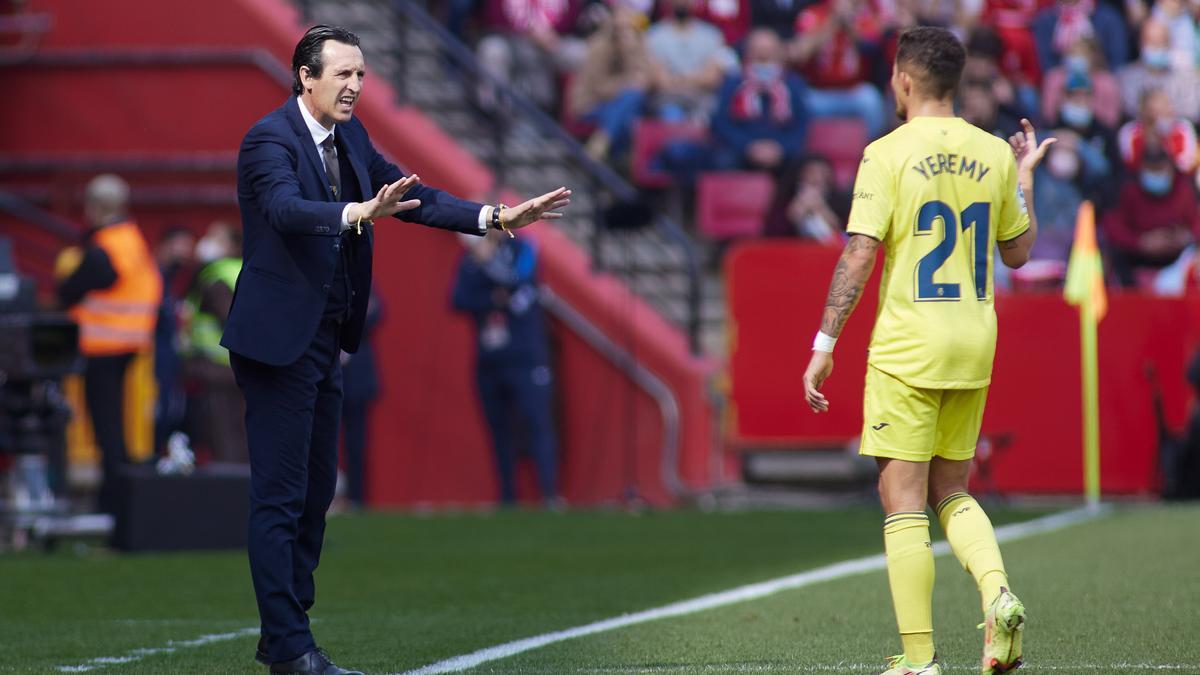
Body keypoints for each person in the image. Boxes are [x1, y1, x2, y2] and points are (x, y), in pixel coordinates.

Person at [225, 25, 570, 675]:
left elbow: (412, 197)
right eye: (343, 74)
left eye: (362, 74)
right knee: (280, 495)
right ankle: (293, 646)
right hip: (276, 344)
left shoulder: (352, 136)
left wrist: (496, 217)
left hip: (325, 339)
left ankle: (283, 634)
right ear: (305, 76)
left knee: (314, 493)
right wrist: (356, 213)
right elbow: (284, 209)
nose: (356, 85)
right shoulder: (268, 138)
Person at [802, 27, 1054, 674]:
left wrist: (824, 342)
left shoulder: (886, 153)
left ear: (905, 80)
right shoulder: (994, 152)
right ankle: (998, 593)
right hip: (973, 343)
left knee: (903, 500)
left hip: (908, 345)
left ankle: (919, 660)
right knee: (953, 488)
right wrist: (1023, 177)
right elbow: (1019, 253)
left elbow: (859, 252)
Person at [56, 174, 163, 515]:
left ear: (95, 207)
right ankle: (118, 500)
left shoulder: (105, 247)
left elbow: (69, 289)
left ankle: (114, 503)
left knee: (107, 430)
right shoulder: (131, 239)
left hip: (102, 349)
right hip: (131, 346)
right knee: (118, 428)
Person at [451, 230, 559, 506]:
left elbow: (518, 284)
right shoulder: (471, 260)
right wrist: (491, 298)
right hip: (490, 358)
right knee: (498, 428)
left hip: (525, 356)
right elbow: (458, 299)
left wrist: (487, 264)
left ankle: (548, 493)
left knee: (537, 422)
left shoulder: (523, 248)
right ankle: (508, 496)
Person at [182, 221, 248, 463]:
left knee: (225, 435)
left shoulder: (216, 276)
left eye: (216, 238)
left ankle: (232, 492)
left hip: (219, 368)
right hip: (243, 367)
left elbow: (231, 321)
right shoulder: (243, 270)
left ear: (231, 246)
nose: (206, 243)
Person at [710, 28, 810, 172]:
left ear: (779, 53)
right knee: (722, 160)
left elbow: (802, 124)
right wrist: (748, 147)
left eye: (769, 50)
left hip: (782, 151)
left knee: (804, 165)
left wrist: (780, 148)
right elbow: (720, 122)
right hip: (741, 149)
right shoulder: (733, 82)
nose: (763, 56)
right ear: (747, 52)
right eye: (758, 50)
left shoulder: (792, 83)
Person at [1102, 140, 1199, 287]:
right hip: (1137, 253)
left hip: (1176, 256)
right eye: (1152, 169)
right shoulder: (1128, 189)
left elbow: (1196, 222)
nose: (1157, 175)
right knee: (1111, 256)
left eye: (1160, 169)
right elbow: (1112, 226)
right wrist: (1141, 242)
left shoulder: (1184, 189)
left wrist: (1186, 236)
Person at [790, 0, 888, 139]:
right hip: (818, 92)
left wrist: (848, 24)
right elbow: (801, 54)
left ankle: (871, 150)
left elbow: (870, 48)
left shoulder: (864, 15)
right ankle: (808, 157)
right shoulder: (813, 14)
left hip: (853, 91)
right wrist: (833, 22)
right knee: (801, 102)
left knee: (871, 100)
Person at [568, 3, 654, 162]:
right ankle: (612, 153)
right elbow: (599, 87)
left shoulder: (638, 44)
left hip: (621, 104)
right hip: (592, 104)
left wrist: (629, 52)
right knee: (631, 102)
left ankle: (603, 142)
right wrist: (626, 84)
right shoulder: (599, 46)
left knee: (633, 104)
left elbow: (646, 78)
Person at [646, 0, 735, 122]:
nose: (682, 2)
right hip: (668, 99)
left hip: (703, 99)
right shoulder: (654, 35)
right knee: (671, 116)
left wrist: (677, 79)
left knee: (712, 117)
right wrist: (695, 79)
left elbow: (712, 78)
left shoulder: (711, 35)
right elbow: (660, 81)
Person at [153, 225, 195, 456]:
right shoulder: (152, 276)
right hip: (155, 359)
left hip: (169, 358)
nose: (187, 252)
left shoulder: (171, 279)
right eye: (182, 245)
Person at [339, 287, 382, 509]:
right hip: (325, 375)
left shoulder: (362, 279)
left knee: (357, 445)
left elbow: (375, 313)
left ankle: (357, 498)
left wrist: (343, 318)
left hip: (357, 378)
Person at [1117, 18, 1200, 121]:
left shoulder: (1186, 78)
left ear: (1170, 44)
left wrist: (1167, 115)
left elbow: (1192, 112)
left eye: (1161, 42)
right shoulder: (1126, 78)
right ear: (1141, 44)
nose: (1156, 48)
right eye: (1152, 43)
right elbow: (1129, 111)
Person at [763, 153, 849, 241]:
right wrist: (796, 210)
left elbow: (844, 233)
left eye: (822, 173)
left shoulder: (839, 201)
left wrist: (820, 208)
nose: (817, 178)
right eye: (811, 173)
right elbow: (772, 234)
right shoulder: (785, 198)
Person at [1118, 87, 1198, 174]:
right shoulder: (1129, 131)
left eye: (1163, 109)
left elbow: (1186, 166)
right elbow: (1129, 164)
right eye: (1153, 111)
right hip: (1139, 180)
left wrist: (1166, 141)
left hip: (1176, 180)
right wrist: (1147, 140)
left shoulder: (1183, 128)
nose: (1158, 118)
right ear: (1143, 111)